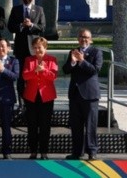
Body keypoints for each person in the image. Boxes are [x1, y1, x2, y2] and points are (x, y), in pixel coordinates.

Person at [63, 29, 102, 160]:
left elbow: (95, 70)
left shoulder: (96, 52)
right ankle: (77, 152)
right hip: (75, 94)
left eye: (86, 37)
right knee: (76, 125)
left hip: (90, 94)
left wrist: (82, 61)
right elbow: (66, 69)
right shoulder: (73, 51)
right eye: (81, 37)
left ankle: (92, 152)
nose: (83, 39)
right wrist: (73, 61)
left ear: (90, 39)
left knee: (91, 124)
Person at [8, 0, 46, 103]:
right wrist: (21, 26)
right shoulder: (16, 9)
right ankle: (21, 102)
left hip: (34, 50)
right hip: (20, 49)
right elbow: (10, 27)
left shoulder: (39, 9)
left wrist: (31, 25)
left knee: (33, 76)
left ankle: (33, 101)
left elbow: (43, 27)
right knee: (21, 78)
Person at [23, 36, 58, 160]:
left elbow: (53, 76)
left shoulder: (52, 60)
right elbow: (25, 76)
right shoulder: (29, 59)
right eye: (35, 48)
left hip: (46, 97)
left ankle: (44, 151)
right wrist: (35, 71)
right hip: (31, 97)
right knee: (32, 125)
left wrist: (44, 70)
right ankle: (33, 151)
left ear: (45, 48)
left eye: (40, 47)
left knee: (45, 125)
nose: (37, 50)